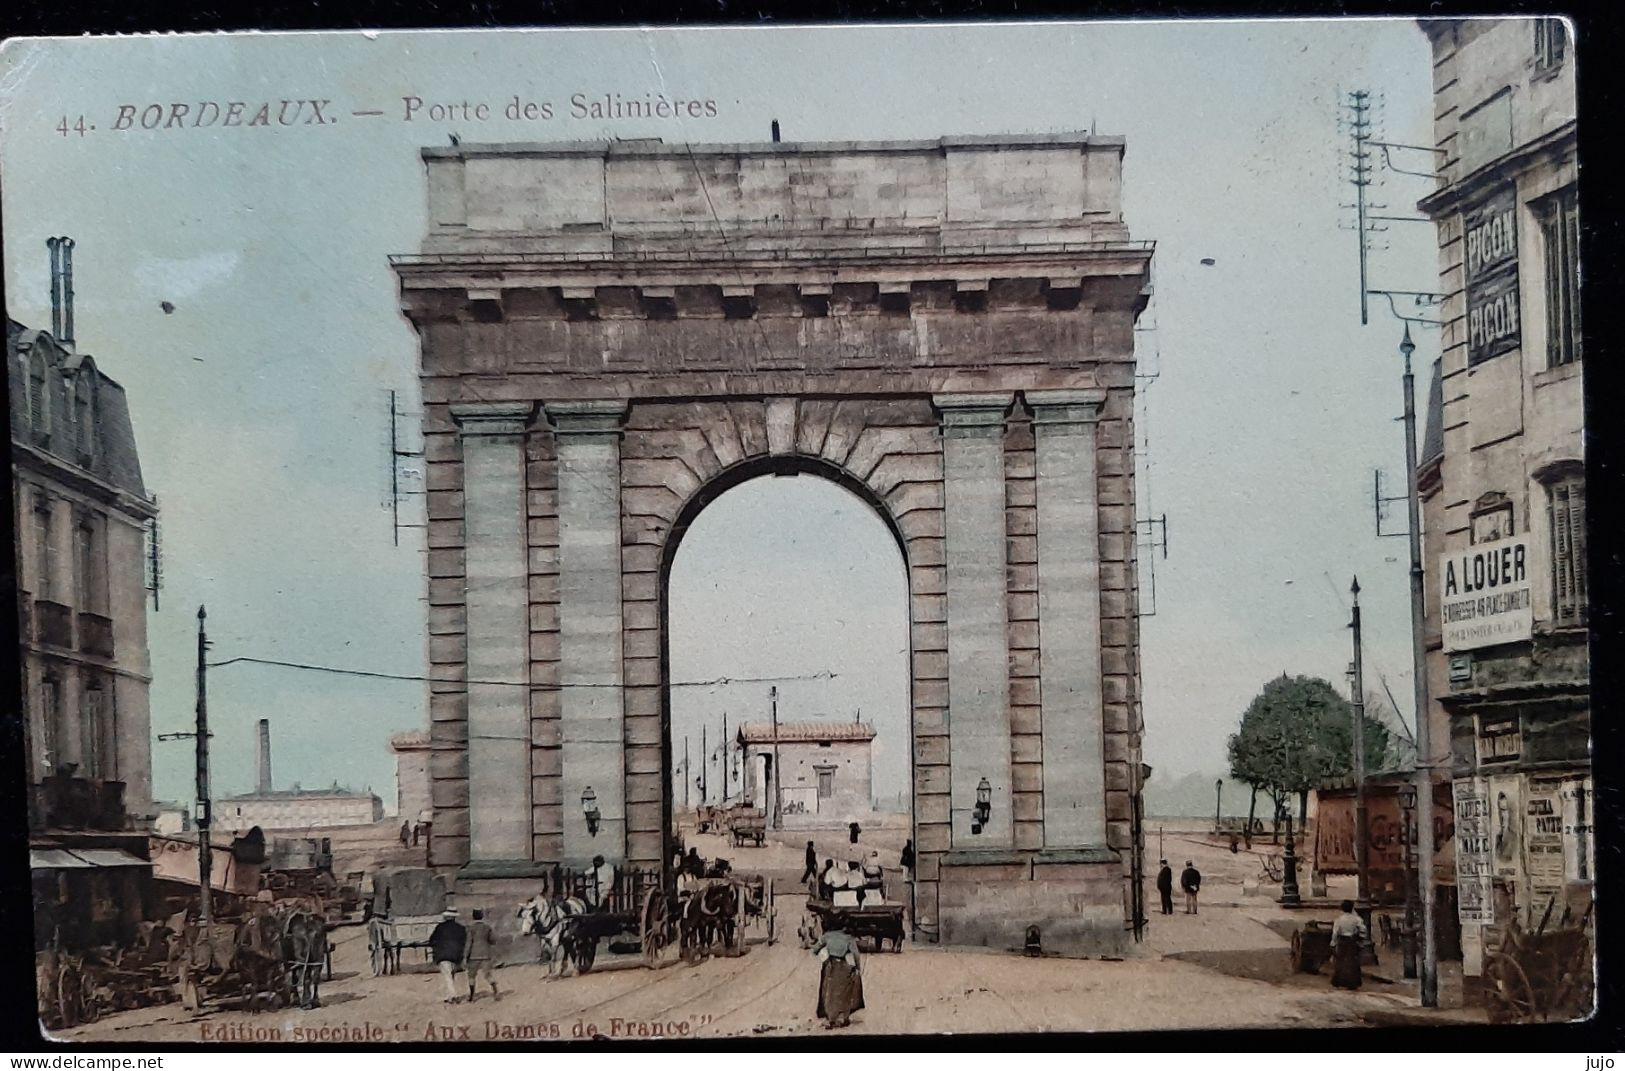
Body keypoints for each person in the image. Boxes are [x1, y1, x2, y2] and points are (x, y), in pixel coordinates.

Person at [811, 922, 865, 1028]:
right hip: (844, 967)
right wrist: (858, 968)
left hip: (830, 967)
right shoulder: (848, 938)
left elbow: (815, 950)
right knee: (845, 991)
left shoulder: (827, 936)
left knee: (829, 991)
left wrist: (822, 953)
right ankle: (842, 1017)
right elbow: (856, 954)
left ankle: (830, 1017)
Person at [428, 909, 467, 1003]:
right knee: (451, 975)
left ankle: (453, 996)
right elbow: (464, 941)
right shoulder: (461, 928)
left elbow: (432, 940)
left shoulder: (440, 927)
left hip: (443, 955)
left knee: (447, 976)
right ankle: (449, 996)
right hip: (456, 956)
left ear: (446, 917)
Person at [1330, 900, 1368, 990]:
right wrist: (1360, 938)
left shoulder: (1339, 920)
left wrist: (1333, 943)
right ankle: (1352, 983)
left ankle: (1339, 981)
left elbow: (1335, 933)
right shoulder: (1357, 919)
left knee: (1341, 961)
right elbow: (1363, 930)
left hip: (1342, 941)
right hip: (1352, 941)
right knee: (1352, 962)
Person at [463, 908, 499, 1003]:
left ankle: (471, 996)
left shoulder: (471, 928)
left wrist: (465, 956)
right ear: (482, 916)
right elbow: (493, 940)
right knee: (488, 975)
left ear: (473, 916)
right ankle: (495, 992)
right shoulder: (487, 928)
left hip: (473, 955)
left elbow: (468, 943)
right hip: (485, 954)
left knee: (471, 976)